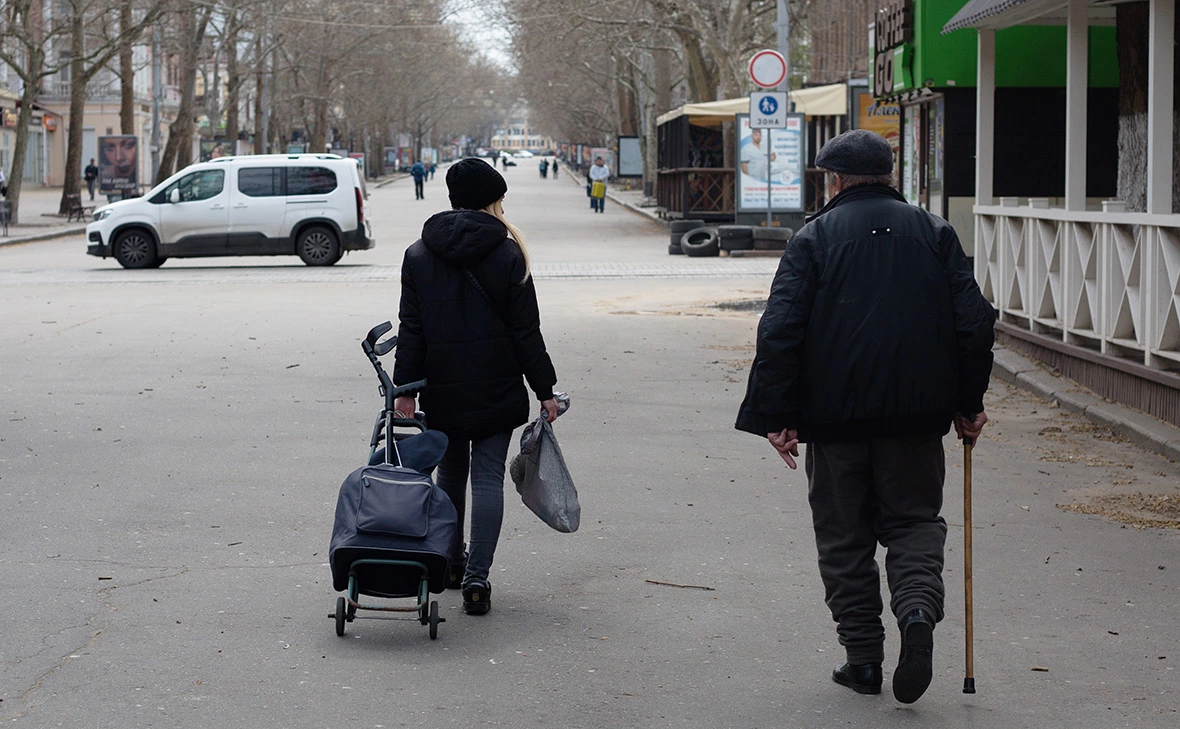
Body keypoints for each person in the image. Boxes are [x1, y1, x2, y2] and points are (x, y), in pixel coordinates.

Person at [734, 129, 996, 704]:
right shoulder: (935, 232)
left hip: (834, 420)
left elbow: (779, 330)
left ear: (834, 180)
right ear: (889, 176)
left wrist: (776, 415)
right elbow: (974, 322)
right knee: (914, 522)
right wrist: (969, 402)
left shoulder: (815, 238)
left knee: (844, 537)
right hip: (917, 418)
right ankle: (918, 609)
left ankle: (864, 661)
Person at [393, 157, 559, 616]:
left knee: (450, 474)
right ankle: (477, 580)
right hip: (498, 387)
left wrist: (406, 388)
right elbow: (527, 331)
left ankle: (448, 562)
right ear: (491, 202)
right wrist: (545, 389)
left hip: (443, 389)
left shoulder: (418, 254)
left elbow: (413, 329)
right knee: (487, 479)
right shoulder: (508, 253)